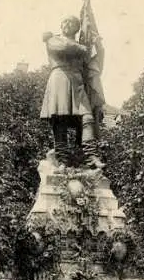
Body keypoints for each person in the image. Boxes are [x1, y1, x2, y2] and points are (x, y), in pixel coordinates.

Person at [40, 15, 104, 169]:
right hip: (60, 79)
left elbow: (91, 59)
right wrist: (81, 47)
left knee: (87, 118)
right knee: (60, 120)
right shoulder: (53, 39)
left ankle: (91, 157)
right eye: (65, 21)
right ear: (60, 25)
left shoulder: (82, 46)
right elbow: (62, 48)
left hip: (77, 82)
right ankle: (62, 160)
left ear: (77, 28)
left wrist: (96, 45)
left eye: (72, 22)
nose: (67, 24)